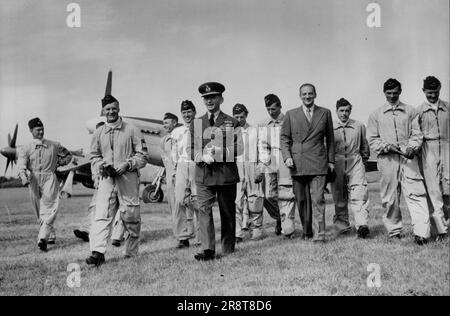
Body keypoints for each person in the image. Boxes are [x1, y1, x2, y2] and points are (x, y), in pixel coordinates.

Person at [86, 94, 148, 266]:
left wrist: (128, 164)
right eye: (107, 109)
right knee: (101, 215)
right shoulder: (99, 133)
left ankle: (131, 252)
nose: (111, 112)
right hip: (107, 180)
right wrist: (101, 165)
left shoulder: (132, 129)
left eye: (114, 108)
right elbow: (94, 156)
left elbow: (143, 156)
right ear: (103, 111)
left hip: (128, 178)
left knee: (131, 216)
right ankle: (97, 252)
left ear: (119, 109)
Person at [367, 78, 430, 245]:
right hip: (387, 160)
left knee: (416, 193)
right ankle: (394, 231)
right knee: (390, 197)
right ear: (384, 93)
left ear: (400, 91)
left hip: (409, 159)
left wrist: (412, 147)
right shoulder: (376, 114)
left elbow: (417, 133)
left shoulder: (411, 111)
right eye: (389, 93)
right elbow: (372, 139)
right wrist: (387, 147)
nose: (392, 96)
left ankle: (421, 233)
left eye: (395, 92)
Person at [189, 82, 243, 261]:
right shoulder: (197, 123)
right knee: (204, 210)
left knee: (227, 211)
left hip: (226, 174)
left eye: (213, 97)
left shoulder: (232, 121)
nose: (209, 100)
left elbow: (240, 148)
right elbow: (190, 149)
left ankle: (228, 248)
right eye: (206, 98)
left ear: (221, 99)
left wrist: (221, 153)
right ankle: (208, 250)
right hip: (204, 174)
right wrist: (200, 156)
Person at [280, 83, 335, 242]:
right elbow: (284, 138)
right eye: (304, 94)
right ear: (300, 96)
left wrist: (330, 160)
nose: (307, 96)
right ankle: (307, 230)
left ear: (315, 94)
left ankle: (320, 235)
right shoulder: (291, 114)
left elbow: (330, 138)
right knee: (302, 200)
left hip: (318, 161)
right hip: (297, 163)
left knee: (318, 199)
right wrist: (287, 156)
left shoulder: (325, 113)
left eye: (310, 93)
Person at [17, 117, 72, 251]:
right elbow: (21, 164)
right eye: (38, 130)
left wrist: (59, 164)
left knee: (50, 206)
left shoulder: (54, 145)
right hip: (34, 179)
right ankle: (50, 234)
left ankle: (42, 237)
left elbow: (68, 155)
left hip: (49, 178)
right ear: (31, 130)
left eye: (42, 129)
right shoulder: (25, 148)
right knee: (38, 209)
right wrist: (23, 175)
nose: (41, 132)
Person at [73, 121, 124, 245]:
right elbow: (94, 165)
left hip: (121, 180)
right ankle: (87, 230)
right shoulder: (95, 148)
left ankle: (117, 235)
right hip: (103, 182)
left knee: (122, 207)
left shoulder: (117, 144)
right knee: (96, 206)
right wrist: (96, 179)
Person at [331, 98, 371, 238]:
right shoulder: (330, 126)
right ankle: (342, 226)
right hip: (337, 162)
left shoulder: (359, 126)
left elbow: (365, 146)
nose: (344, 114)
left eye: (347, 110)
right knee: (339, 196)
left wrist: (363, 161)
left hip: (355, 161)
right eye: (341, 111)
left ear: (350, 111)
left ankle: (362, 226)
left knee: (359, 194)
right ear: (336, 111)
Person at [416, 76, 449, 241]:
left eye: (435, 92)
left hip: (447, 148)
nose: (433, 96)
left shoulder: (448, 108)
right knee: (434, 191)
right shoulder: (419, 111)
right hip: (428, 150)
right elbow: (416, 136)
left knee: (448, 190)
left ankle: (446, 225)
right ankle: (441, 231)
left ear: (440, 90)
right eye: (429, 93)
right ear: (424, 91)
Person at [232, 103, 265, 241]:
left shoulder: (254, 130)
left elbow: (262, 149)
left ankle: (256, 228)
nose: (239, 119)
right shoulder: (230, 132)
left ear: (246, 114)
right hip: (236, 167)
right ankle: (237, 232)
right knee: (237, 200)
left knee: (255, 198)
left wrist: (260, 168)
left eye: (242, 116)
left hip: (252, 165)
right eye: (236, 116)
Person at [171, 101, 200, 248]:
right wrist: (176, 169)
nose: (187, 115)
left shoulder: (202, 127)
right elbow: (174, 151)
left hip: (197, 164)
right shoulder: (177, 131)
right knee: (179, 200)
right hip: (182, 165)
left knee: (198, 201)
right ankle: (183, 237)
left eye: (189, 112)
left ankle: (202, 236)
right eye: (184, 113)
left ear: (194, 112)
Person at [257, 94, 285, 235]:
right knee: (268, 196)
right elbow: (261, 145)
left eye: (273, 108)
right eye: (268, 109)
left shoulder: (288, 121)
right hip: (270, 161)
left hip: (286, 161)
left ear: (280, 106)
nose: (271, 111)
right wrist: (263, 162)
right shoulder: (263, 124)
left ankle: (286, 223)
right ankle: (279, 218)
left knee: (286, 194)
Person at [160, 112, 180, 243]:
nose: (164, 125)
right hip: (170, 177)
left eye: (167, 122)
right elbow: (164, 159)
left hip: (182, 176)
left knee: (185, 205)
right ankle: (179, 235)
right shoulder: (163, 141)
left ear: (174, 122)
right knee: (173, 206)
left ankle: (191, 233)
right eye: (163, 123)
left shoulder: (182, 137)